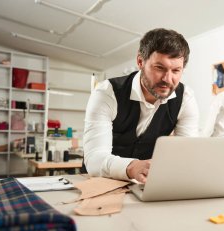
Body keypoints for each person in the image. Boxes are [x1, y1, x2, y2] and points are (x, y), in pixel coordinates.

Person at [83, 28, 199, 183]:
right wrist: (131, 167)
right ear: (140, 61)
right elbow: (94, 159)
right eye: (159, 68)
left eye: (176, 70)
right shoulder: (106, 93)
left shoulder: (185, 98)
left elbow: (187, 154)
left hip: (144, 185)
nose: (168, 79)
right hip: (98, 182)